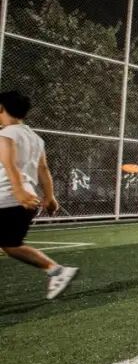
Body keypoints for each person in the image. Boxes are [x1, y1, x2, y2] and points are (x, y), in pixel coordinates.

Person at [0, 90, 78, 299]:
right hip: (26, 200)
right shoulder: (35, 138)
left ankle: (57, 271)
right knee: (12, 245)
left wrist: (18, 190)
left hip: (9, 198)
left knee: (11, 244)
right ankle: (57, 271)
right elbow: (43, 169)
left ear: (1, 108)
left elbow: (9, 164)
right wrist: (50, 197)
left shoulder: (6, 135)